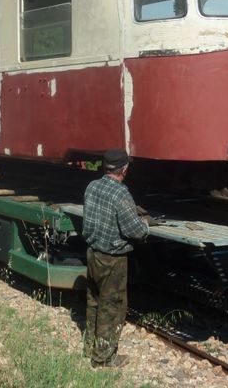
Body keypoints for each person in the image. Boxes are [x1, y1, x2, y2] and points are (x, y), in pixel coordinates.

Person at [82, 148, 149, 368]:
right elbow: (134, 231)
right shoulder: (121, 194)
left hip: (92, 253)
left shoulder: (92, 187)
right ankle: (103, 358)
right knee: (112, 307)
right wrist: (145, 224)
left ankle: (89, 346)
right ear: (124, 169)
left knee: (94, 301)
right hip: (113, 259)